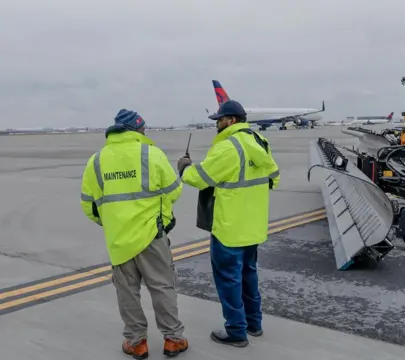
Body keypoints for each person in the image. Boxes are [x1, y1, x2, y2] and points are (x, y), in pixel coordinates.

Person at [80, 109, 189, 359]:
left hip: (119, 240)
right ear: (137, 129)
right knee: (162, 286)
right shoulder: (151, 153)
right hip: (152, 234)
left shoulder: (96, 161)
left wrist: (111, 222)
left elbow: (89, 205)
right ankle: (173, 339)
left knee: (127, 291)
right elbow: (174, 191)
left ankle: (137, 342)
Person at [177, 100, 280, 348]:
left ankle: (236, 331)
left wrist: (184, 169)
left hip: (229, 227)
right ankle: (254, 324)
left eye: (219, 120)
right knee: (249, 275)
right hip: (253, 226)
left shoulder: (228, 146)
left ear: (231, 120)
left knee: (228, 280)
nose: (217, 124)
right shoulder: (259, 142)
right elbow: (273, 178)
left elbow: (202, 179)